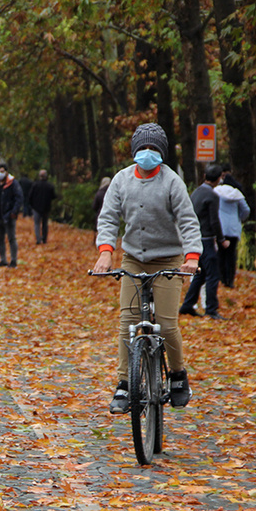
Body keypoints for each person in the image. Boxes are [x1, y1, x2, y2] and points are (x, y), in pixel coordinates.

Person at [93, 122, 200, 414]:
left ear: (162, 153)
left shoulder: (171, 181)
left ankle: (178, 375)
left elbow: (188, 220)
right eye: (143, 148)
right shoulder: (121, 180)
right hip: (133, 259)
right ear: (134, 151)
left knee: (166, 324)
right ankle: (125, 384)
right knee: (127, 321)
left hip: (168, 259)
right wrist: (106, 252)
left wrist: (192, 256)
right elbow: (108, 218)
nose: (148, 153)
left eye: (154, 149)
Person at [179, 163, 230, 320]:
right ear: (218, 178)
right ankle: (211, 308)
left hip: (193, 238)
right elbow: (214, 221)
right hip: (206, 240)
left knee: (200, 274)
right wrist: (221, 239)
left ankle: (188, 304)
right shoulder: (212, 196)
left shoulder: (196, 192)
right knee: (213, 275)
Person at [214, 170, 250, 288]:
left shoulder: (217, 192)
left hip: (221, 227)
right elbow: (246, 210)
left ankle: (222, 278)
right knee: (231, 254)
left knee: (221, 253)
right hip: (233, 229)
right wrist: (239, 218)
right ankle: (230, 280)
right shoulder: (237, 194)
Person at [0, 163, 23, 267]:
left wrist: (13, 212)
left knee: (11, 238)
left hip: (8, 216)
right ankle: (3, 259)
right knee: (0, 239)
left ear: (6, 172)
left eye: (2, 171)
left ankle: (13, 260)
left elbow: (19, 198)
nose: (0, 174)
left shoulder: (13, 184)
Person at [28, 169, 57, 244]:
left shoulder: (35, 185)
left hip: (36, 207)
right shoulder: (50, 186)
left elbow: (30, 196)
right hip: (46, 207)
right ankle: (44, 239)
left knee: (37, 224)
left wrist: (32, 205)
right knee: (45, 224)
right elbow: (54, 196)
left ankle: (38, 239)